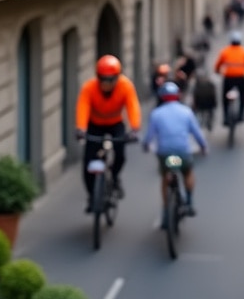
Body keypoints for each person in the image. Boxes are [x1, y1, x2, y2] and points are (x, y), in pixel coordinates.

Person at [75, 54, 142, 211]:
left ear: (117, 77)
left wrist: (134, 128)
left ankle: (115, 176)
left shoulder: (126, 86)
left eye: (110, 80)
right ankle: (92, 196)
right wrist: (81, 128)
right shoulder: (89, 87)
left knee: (120, 155)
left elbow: (132, 106)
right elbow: (83, 106)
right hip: (95, 124)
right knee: (88, 161)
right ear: (97, 77)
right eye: (102, 79)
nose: (106, 84)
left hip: (115, 123)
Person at [142, 82, 209, 228]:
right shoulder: (186, 112)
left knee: (165, 178)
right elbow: (197, 133)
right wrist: (203, 147)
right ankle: (189, 202)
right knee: (187, 172)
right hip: (182, 153)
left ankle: (166, 212)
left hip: (165, 154)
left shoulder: (156, 113)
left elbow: (149, 136)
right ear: (178, 96)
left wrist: (145, 146)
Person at [214, 31, 244, 122]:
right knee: (243, 96)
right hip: (240, 78)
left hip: (228, 78)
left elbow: (218, 65)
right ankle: (241, 115)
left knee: (225, 97)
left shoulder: (225, 51)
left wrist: (217, 71)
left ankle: (225, 116)